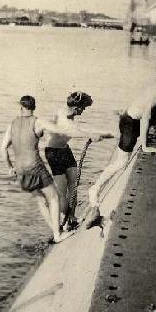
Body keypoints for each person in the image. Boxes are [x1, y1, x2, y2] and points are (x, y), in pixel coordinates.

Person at [86, 64, 156, 227]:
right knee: (122, 162)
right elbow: (145, 118)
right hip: (130, 122)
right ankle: (95, 188)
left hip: (143, 120)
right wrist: (144, 145)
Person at [1, 95, 75, 244]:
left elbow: (2, 148)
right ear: (33, 108)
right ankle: (57, 234)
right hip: (35, 166)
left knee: (41, 200)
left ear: (21, 107)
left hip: (20, 170)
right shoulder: (38, 121)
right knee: (53, 198)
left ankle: (56, 231)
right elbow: (58, 129)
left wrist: (10, 167)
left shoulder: (12, 124)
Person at [44, 91, 114, 229]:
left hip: (65, 149)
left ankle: (72, 217)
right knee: (62, 190)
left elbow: (77, 129)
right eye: (83, 108)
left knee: (73, 184)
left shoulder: (70, 113)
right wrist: (91, 134)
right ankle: (63, 221)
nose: (83, 111)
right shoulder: (63, 116)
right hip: (53, 153)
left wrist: (105, 133)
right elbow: (74, 131)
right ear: (77, 108)